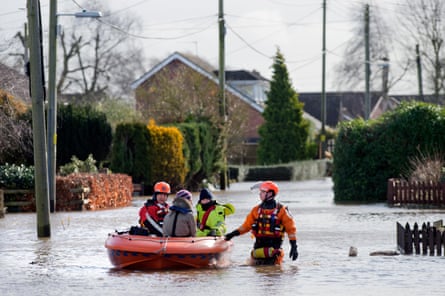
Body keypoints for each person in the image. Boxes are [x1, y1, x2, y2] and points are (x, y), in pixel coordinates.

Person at [224, 181, 298, 265]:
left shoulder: (282, 211)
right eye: (260, 192)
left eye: (263, 192)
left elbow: (291, 230)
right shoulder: (256, 210)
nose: (260, 194)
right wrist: (231, 235)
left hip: (274, 250)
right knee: (255, 270)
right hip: (258, 248)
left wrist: (294, 246)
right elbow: (246, 227)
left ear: (270, 193)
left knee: (274, 271)